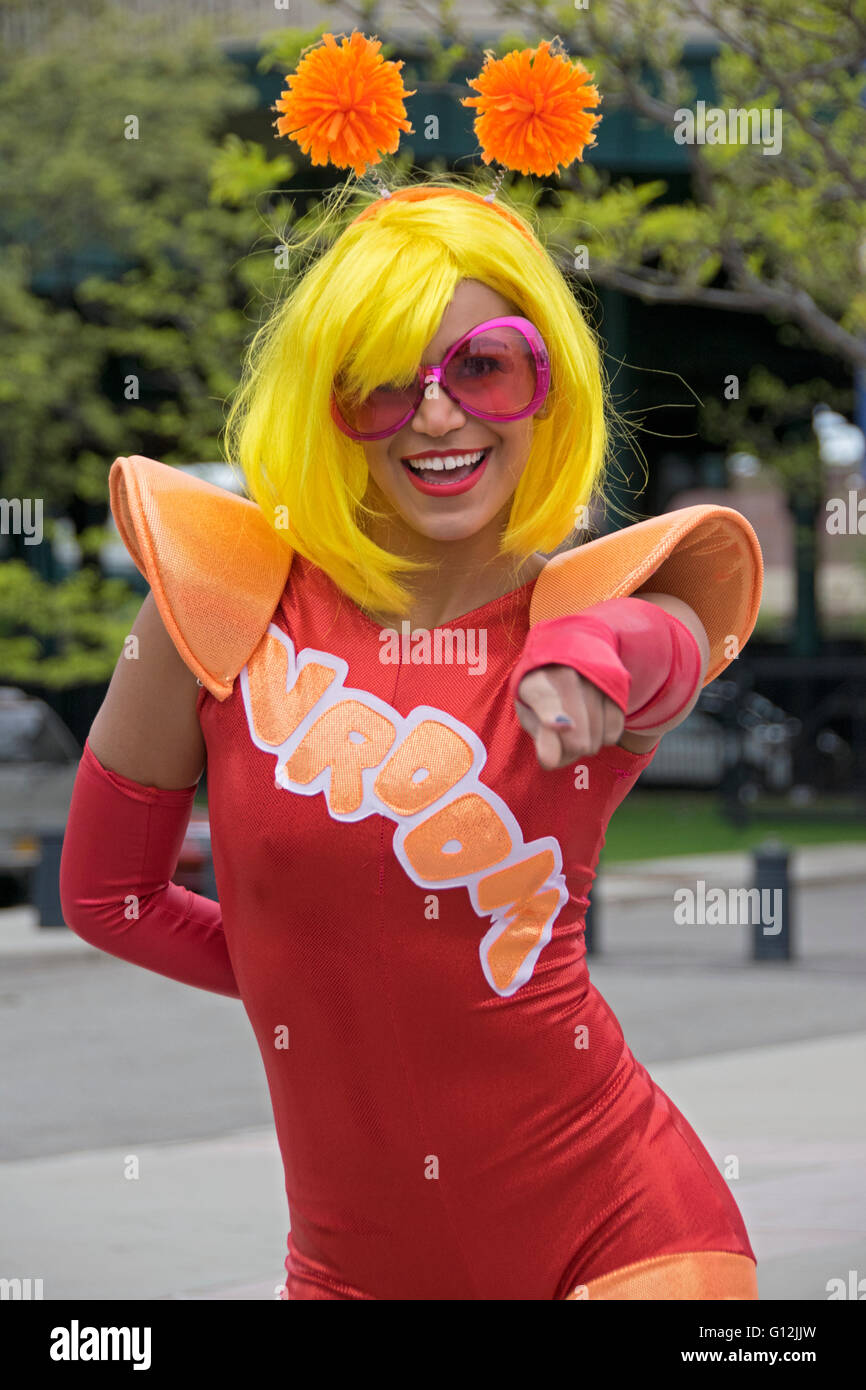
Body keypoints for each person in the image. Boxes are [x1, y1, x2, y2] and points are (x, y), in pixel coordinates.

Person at [60, 34, 763, 1300]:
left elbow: (665, 648)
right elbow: (106, 896)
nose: (435, 413)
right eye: (381, 385)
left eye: (481, 367)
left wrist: (580, 664)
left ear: (544, 384)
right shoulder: (216, 600)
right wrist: (320, 970)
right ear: (323, 408)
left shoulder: (595, 600)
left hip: (628, 1232)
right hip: (347, 1272)